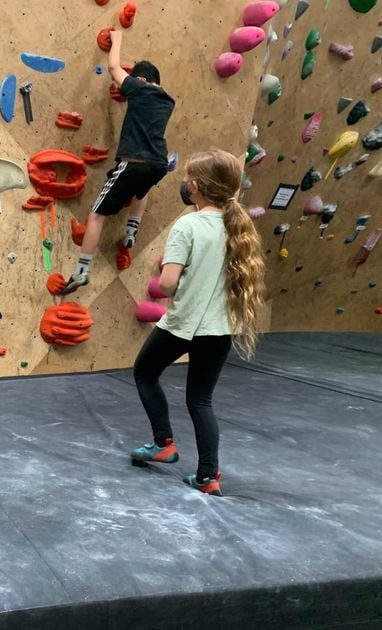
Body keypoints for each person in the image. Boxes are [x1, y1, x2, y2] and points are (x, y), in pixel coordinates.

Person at [129, 150, 265, 497]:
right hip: (219, 330)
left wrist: (169, 274)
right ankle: (208, 476)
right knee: (200, 400)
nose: (185, 184)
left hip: (182, 324)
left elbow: (167, 284)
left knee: (145, 372)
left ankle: (163, 443)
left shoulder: (188, 225)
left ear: (198, 186)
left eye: (189, 179)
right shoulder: (238, 227)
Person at [64, 29, 175, 293]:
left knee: (97, 215)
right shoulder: (167, 101)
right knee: (142, 189)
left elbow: (114, 68)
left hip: (132, 163)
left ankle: (81, 271)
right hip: (158, 164)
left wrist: (117, 39)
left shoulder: (140, 87)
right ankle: (131, 230)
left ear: (141, 79)